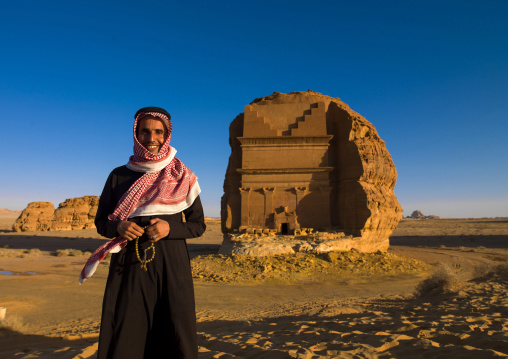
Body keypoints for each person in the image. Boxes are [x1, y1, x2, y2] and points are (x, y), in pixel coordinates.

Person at [79, 107, 205, 359]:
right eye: (145, 131)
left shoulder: (182, 174)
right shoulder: (119, 175)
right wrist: (119, 227)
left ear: (167, 134)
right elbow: (102, 222)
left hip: (172, 263)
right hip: (129, 264)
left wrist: (171, 228)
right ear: (136, 134)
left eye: (159, 132)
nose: (152, 138)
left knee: (175, 324)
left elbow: (198, 225)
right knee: (128, 326)